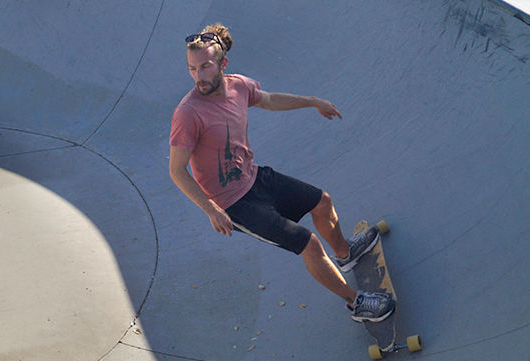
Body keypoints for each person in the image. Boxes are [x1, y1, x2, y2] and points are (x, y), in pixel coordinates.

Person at [168, 23, 394, 323]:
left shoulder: (238, 86)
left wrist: (312, 101)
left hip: (256, 177)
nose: (199, 76)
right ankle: (356, 304)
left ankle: (345, 253)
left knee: (322, 202)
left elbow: (270, 100)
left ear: (223, 63)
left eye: (206, 66)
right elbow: (177, 171)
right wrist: (211, 210)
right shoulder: (188, 113)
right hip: (234, 205)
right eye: (192, 69)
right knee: (308, 244)